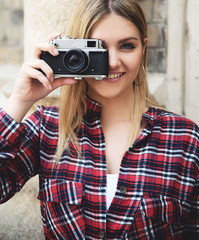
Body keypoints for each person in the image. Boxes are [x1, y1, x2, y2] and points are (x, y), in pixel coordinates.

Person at [0, 0, 198, 239]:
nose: (113, 61)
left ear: (143, 48)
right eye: (98, 48)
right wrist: (20, 100)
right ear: (75, 52)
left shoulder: (185, 138)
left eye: (127, 46)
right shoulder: (48, 128)